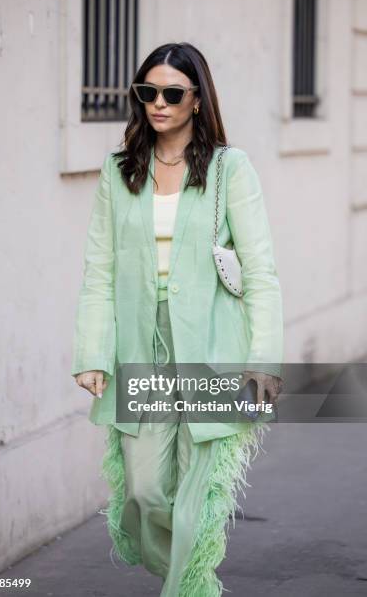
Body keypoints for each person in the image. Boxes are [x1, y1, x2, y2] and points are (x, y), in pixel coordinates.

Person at [71, 42, 284, 596]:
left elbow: (261, 271)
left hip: (213, 342)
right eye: (148, 92)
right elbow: (99, 270)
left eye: (172, 93)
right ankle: (189, 579)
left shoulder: (227, 170)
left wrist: (264, 361)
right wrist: (93, 354)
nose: (158, 104)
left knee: (197, 485)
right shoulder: (120, 172)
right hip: (144, 344)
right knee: (143, 491)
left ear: (196, 99)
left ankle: (186, 591)